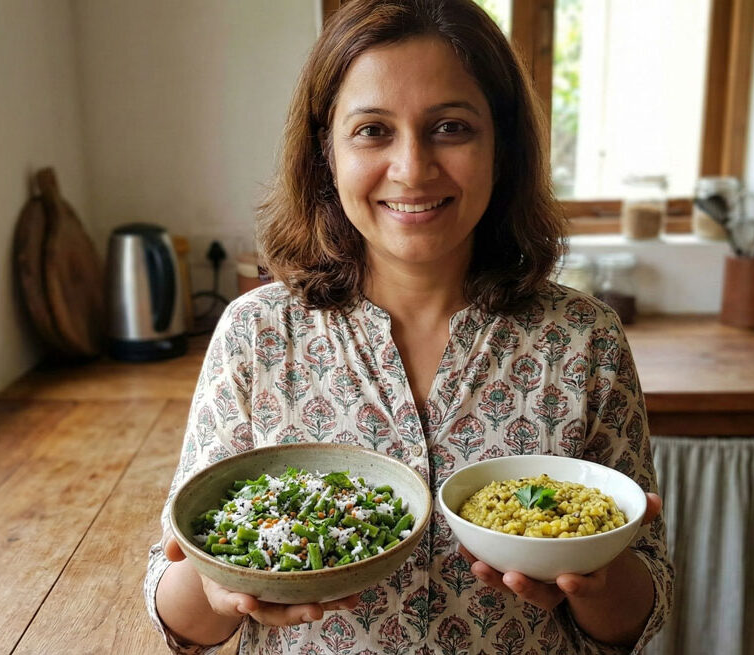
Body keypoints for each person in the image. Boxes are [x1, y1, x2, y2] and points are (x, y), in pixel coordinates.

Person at [145, 0, 673, 652]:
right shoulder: (257, 334)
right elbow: (182, 618)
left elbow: (639, 614)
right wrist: (215, 584)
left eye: (451, 127)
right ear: (326, 153)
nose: (413, 168)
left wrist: (598, 574)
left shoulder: (584, 339)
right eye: (372, 130)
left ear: (501, 147)